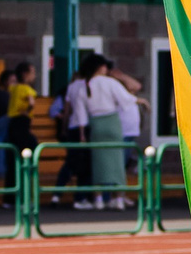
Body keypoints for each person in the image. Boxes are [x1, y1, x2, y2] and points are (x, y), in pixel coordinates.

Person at [84, 57, 137, 209]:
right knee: (117, 162)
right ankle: (118, 198)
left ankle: (99, 199)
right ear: (101, 67)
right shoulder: (110, 82)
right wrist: (141, 101)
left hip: (95, 123)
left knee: (98, 161)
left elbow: (81, 112)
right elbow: (126, 99)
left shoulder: (86, 84)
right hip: (112, 122)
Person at [52, 55, 94, 205]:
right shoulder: (85, 86)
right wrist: (83, 134)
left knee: (70, 163)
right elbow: (82, 112)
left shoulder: (71, 87)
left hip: (72, 128)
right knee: (86, 164)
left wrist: (64, 128)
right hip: (84, 129)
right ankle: (81, 197)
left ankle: (57, 194)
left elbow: (67, 110)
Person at [2, 62, 39, 159]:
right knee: (28, 145)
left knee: (13, 149)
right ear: (25, 74)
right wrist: (27, 111)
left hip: (11, 121)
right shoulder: (27, 89)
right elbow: (31, 102)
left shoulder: (14, 88)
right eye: (33, 72)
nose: (34, 76)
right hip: (22, 122)